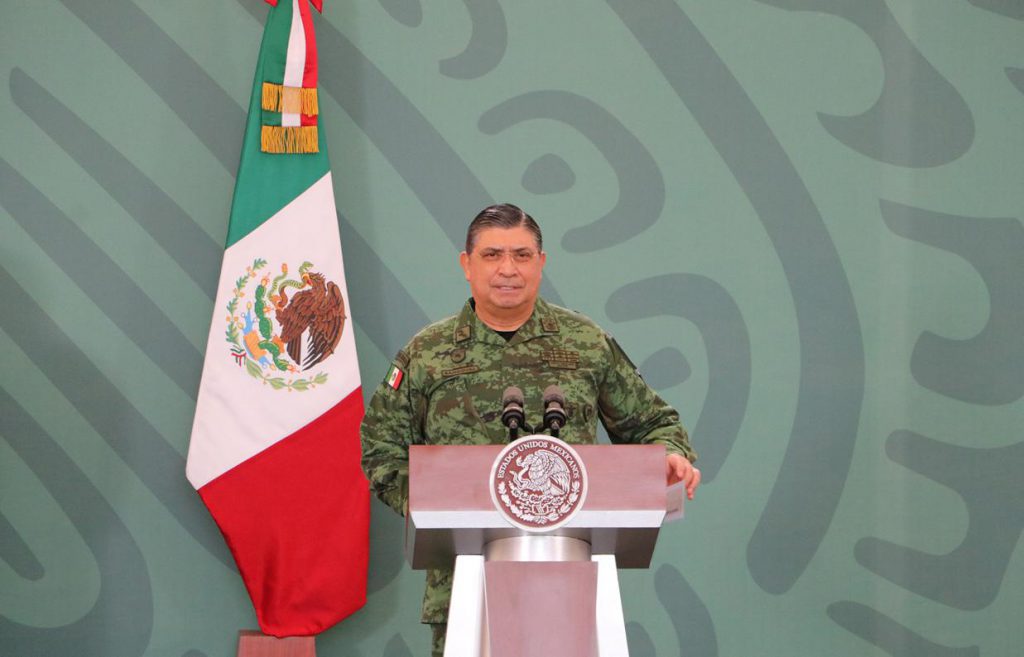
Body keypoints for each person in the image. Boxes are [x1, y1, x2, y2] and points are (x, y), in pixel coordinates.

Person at [360, 203, 700, 656]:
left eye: (521, 255)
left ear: (541, 263)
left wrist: (670, 454)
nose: (508, 269)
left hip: (571, 578)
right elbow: (380, 446)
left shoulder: (585, 342)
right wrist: (429, 503)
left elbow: (655, 423)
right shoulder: (428, 353)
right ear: (466, 264)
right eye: (492, 255)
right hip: (465, 587)